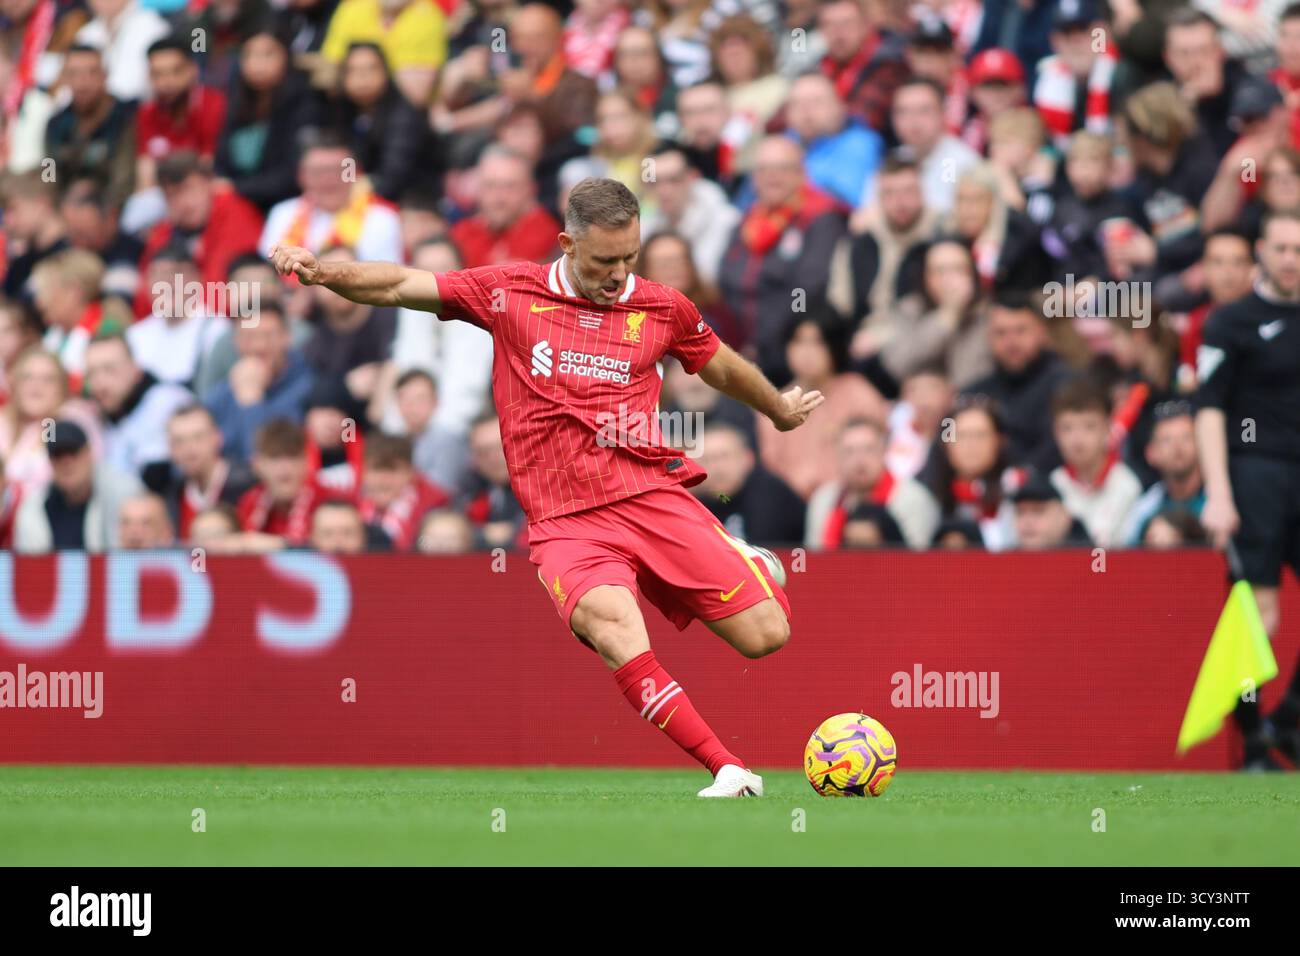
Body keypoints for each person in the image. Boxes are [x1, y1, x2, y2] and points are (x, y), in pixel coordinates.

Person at [271, 175, 825, 797]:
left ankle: (738, 558)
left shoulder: (664, 307)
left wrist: (776, 408)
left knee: (766, 637)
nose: (619, 275)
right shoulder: (510, 292)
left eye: (629, 258)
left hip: (648, 493)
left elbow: (718, 363)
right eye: (604, 260)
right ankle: (728, 768)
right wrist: (324, 273)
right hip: (565, 519)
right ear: (566, 243)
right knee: (612, 625)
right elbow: (402, 283)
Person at [1195, 208, 1300, 769]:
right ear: (1262, 251)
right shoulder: (1230, 322)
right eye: (1282, 248)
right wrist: (1219, 492)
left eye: (1299, 250)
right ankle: (1255, 739)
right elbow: (1209, 408)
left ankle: (1288, 719)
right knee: (1261, 616)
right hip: (1254, 471)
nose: (1291, 260)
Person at [12, 419, 143, 551]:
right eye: (58, 455)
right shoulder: (35, 505)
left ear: (89, 453)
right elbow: (30, 564)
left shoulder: (122, 493)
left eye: (73, 452)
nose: (67, 462)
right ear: (50, 462)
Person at [696, 421, 805, 545]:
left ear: (748, 459)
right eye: (707, 459)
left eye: (724, 457)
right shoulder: (696, 503)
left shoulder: (771, 496)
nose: (717, 468)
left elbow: (767, 556)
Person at [1121, 399, 1205, 546]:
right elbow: (1129, 560)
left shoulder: (1220, 499)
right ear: (1151, 453)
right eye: (1167, 440)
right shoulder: (1144, 509)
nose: (1177, 447)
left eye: (1187, 437)